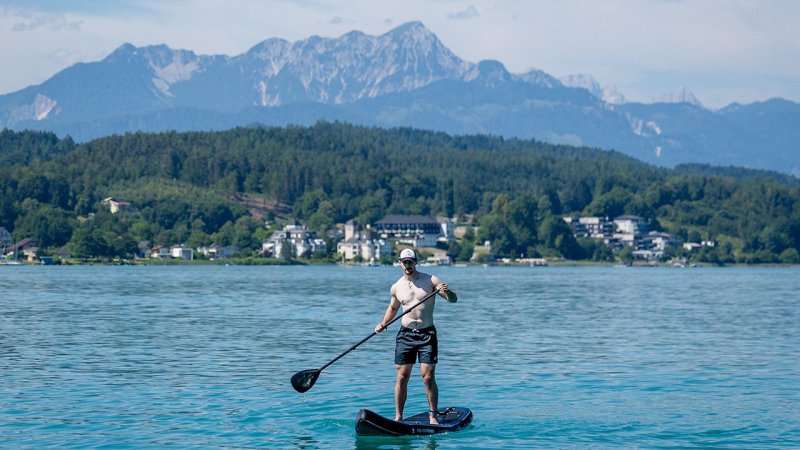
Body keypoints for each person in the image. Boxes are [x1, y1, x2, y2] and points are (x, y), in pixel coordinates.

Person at [374, 248, 458, 424]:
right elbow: (393, 308)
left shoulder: (431, 280)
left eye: (410, 262)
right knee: (402, 377)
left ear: (415, 262)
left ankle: (433, 415)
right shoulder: (396, 287)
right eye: (404, 262)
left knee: (427, 377)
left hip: (427, 334)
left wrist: (448, 291)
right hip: (405, 335)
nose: (407, 265)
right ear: (400, 263)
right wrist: (383, 323)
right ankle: (398, 417)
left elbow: (453, 300)